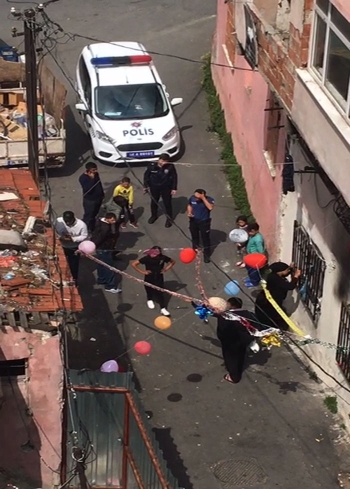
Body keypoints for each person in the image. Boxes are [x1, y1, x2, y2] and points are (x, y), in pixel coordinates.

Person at [217, 297, 256, 384]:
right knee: (241, 355)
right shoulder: (248, 314)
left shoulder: (225, 317)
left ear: (232, 306)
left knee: (231, 359)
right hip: (243, 341)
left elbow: (222, 330)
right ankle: (239, 368)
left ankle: (234, 377)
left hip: (230, 343)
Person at [255, 262, 301, 330]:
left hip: (266, 301)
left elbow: (285, 273)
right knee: (272, 318)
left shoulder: (273, 275)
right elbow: (290, 286)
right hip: (269, 304)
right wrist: (296, 276)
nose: (288, 271)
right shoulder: (275, 279)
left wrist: (290, 268)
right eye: (287, 270)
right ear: (280, 271)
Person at [131, 246, 175, 316]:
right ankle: (149, 299)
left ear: (159, 253)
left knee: (160, 292)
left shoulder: (163, 258)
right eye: (152, 252)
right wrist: (143, 272)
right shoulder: (146, 258)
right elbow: (134, 264)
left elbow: (172, 262)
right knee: (148, 289)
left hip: (159, 277)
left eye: (155, 253)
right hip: (149, 277)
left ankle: (163, 308)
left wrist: (165, 269)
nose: (153, 254)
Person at [143, 153, 178, 228]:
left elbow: (174, 177)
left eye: (165, 161)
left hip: (166, 188)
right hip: (154, 187)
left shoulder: (170, 167)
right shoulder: (151, 166)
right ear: (159, 159)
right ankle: (154, 216)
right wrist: (145, 186)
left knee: (167, 203)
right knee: (154, 202)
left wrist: (174, 188)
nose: (163, 162)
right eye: (162, 160)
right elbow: (146, 176)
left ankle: (169, 219)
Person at [91, 212, 122, 293]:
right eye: (112, 220)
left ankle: (101, 279)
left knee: (101, 264)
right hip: (104, 248)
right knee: (109, 267)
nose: (114, 222)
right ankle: (110, 286)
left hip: (100, 249)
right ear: (108, 219)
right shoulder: (105, 228)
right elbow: (100, 238)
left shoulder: (99, 222)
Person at [55, 211, 88, 283]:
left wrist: (73, 239)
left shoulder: (82, 225)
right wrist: (60, 237)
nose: (67, 223)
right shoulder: (58, 221)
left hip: (74, 248)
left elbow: (84, 236)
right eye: (66, 221)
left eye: (69, 222)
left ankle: (74, 279)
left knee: (73, 265)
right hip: (61, 246)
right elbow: (54, 230)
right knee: (58, 262)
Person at [187, 189, 215, 263]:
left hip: (204, 222)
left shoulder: (209, 200)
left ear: (202, 194)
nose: (195, 198)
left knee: (205, 239)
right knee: (194, 236)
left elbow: (210, 208)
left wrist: (203, 199)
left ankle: (207, 255)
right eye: (195, 196)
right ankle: (195, 249)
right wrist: (189, 212)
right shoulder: (192, 198)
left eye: (197, 196)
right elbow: (189, 205)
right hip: (193, 221)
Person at [79, 162, 104, 232]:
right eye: (93, 170)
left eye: (96, 169)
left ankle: (92, 227)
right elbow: (88, 189)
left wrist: (102, 194)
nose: (95, 171)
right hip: (90, 200)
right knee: (88, 216)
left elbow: (99, 184)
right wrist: (92, 179)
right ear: (88, 170)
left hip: (98, 198)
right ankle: (85, 229)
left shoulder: (96, 174)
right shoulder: (83, 178)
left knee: (94, 214)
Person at [244, 222, 267, 288]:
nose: (249, 233)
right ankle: (251, 279)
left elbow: (261, 250)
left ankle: (254, 282)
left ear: (257, 230)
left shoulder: (258, 239)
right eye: (249, 232)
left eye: (251, 232)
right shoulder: (253, 236)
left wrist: (261, 259)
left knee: (254, 271)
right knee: (249, 270)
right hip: (250, 256)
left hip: (255, 259)